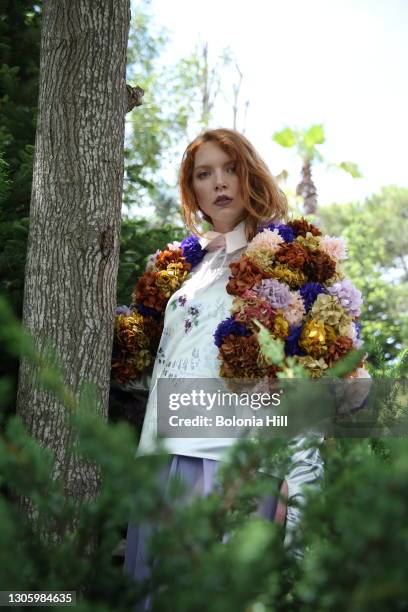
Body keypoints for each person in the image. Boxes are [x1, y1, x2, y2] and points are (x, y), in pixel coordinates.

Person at [121, 128, 325, 608]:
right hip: (161, 464)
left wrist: (292, 498)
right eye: (204, 174)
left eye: (230, 168)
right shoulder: (182, 267)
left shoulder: (285, 259)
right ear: (192, 191)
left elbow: (304, 381)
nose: (219, 183)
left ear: (249, 173)